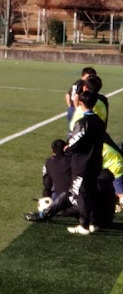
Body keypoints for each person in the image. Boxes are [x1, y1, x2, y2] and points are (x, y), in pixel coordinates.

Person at [64, 89, 106, 235]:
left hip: (82, 164)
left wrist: (67, 148)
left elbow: (74, 144)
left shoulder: (83, 122)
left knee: (81, 193)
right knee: (92, 191)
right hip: (95, 161)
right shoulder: (99, 121)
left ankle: (84, 224)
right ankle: (94, 222)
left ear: (81, 103)